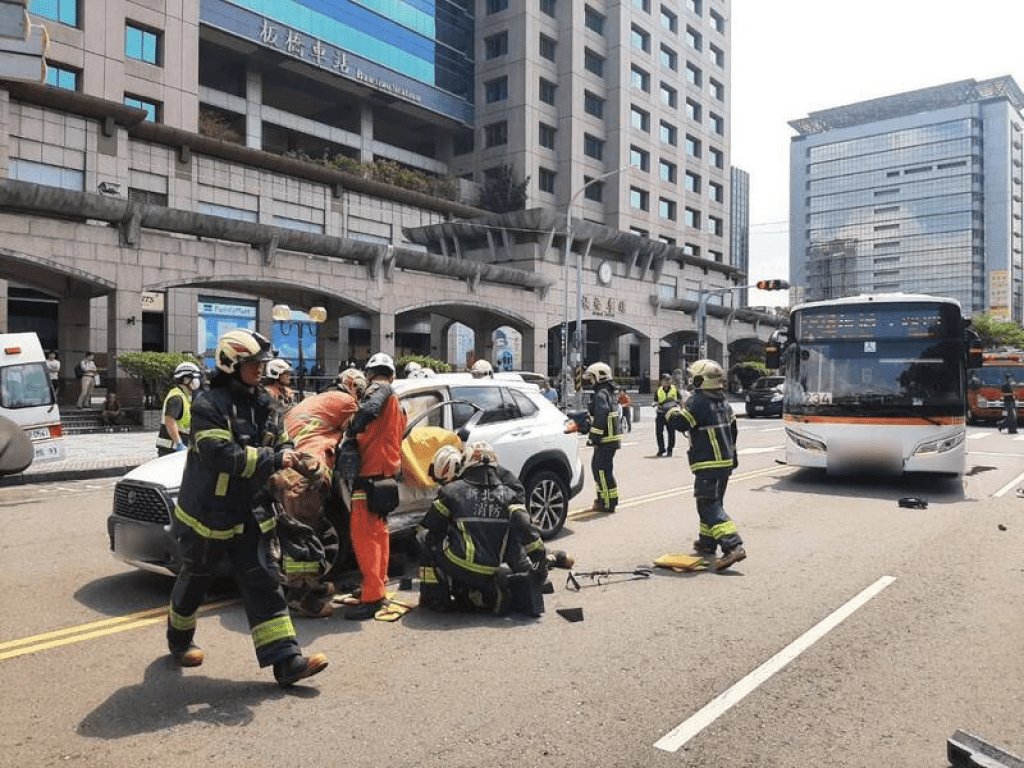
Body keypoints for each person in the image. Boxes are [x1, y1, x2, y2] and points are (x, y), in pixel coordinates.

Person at [166, 328, 328, 687]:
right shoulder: (209, 405)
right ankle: (178, 640)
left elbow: (282, 440)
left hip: (251, 512)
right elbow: (220, 455)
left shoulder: (265, 404)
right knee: (195, 581)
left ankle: (287, 661)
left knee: (265, 581)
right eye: (253, 363)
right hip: (207, 515)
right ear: (230, 364)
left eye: (261, 363)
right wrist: (274, 459)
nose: (260, 369)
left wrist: (300, 461)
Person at [417, 441, 555, 616]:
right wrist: (539, 564)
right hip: (492, 564)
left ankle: (436, 599)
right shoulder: (508, 492)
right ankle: (489, 589)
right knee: (506, 533)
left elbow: (432, 528)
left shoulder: (452, 491)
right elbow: (526, 529)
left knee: (423, 538)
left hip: (460, 562)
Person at [270, 367, 366, 617]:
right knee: (305, 539)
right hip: (306, 474)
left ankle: (312, 586)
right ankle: (303, 600)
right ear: (352, 386)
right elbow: (363, 432)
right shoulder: (345, 401)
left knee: (297, 533)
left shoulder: (313, 401)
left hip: (285, 470)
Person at [341, 352, 407, 620]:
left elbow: (368, 409)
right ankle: (377, 586)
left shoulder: (380, 388)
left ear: (370, 374)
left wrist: (351, 431)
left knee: (364, 538)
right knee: (379, 535)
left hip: (369, 475)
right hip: (386, 474)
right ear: (392, 373)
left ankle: (371, 597)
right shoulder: (398, 404)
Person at [663, 359, 746, 571]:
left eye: (694, 377)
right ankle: (707, 542)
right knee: (713, 502)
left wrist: (670, 408)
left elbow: (680, 423)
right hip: (725, 462)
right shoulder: (724, 402)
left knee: (707, 504)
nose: (692, 380)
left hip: (708, 463)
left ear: (702, 380)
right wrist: (733, 457)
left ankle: (732, 545)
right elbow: (733, 432)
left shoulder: (697, 401)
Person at [583, 362, 622, 514]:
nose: (590, 381)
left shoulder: (601, 394)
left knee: (600, 471)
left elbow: (602, 414)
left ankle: (606, 502)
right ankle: (608, 499)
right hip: (610, 439)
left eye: (592, 377)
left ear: (599, 377)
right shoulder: (608, 392)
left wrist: (594, 436)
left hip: (605, 440)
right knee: (604, 470)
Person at [156, 362, 202, 456]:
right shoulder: (177, 397)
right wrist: (179, 444)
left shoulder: (184, 396)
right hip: (171, 449)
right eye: (195, 378)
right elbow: (170, 420)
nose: (197, 381)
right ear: (186, 379)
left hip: (174, 448)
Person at [655, 373, 679, 457]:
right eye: (665, 380)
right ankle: (661, 449)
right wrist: (655, 404)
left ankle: (670, 450)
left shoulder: (674, 389)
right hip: (660, 413)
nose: (667, 382)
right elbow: (656, 400)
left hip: (671, 413)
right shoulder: (659, 390)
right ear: (661, 381)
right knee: (659, 432)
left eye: (669, 380)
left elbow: (679, 399)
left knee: (671, 432)